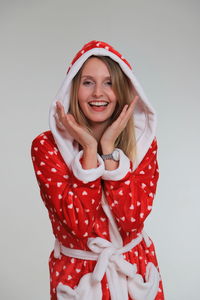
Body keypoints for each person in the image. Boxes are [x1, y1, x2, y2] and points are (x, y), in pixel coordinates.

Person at [31, 40, 165, 300]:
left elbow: (132, 219)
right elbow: (78, 225)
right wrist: (90, 151)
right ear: (72, 88)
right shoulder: (46, 147)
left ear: (124, 90)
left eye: (109, 82)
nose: (98, 93)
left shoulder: (143, 144)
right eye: (88, 82)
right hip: (79, 277)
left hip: (134, 271)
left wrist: (108, 152)